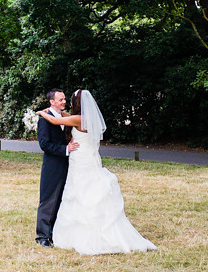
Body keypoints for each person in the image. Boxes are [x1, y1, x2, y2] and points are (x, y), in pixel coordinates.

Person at [37, 89, 156, 255]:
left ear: (76, 103)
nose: (66, 103)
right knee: (73, 194)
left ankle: (81, 233)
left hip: (80, 160)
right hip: (80, 160)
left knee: (81, 193)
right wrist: (50, 114)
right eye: (62, 99)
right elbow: (57, 120)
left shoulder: (77, 119)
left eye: (68, 100)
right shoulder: (83, 118)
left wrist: (41, 113)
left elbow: (55, 120)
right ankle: (45, 234)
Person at [35, 89, 79, 247]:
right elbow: (44, 145)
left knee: (62, 199)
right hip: (53, 165)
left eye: (65, 99)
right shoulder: (45, 120)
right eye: (60, 100)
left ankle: (55, 232)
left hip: (69, 164)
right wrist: (66, 149)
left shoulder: (65, 117)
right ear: (52, 102)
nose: (64, 102)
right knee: (48, 199)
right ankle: (42, 236)